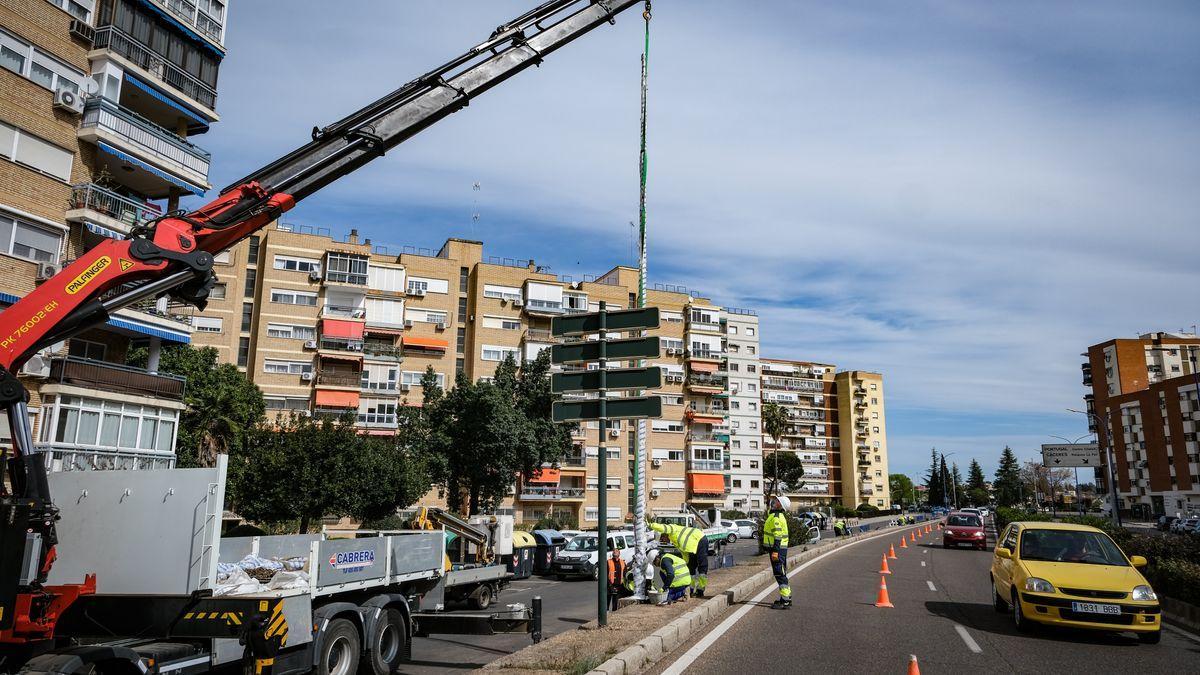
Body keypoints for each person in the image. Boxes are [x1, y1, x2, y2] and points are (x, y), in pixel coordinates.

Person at [648, 518, 709, 598]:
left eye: (662, 538)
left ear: (664, 534)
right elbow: (684, 552)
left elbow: (663, 527)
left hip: (700, 539)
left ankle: (700, 590)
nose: (664, 541)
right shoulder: (674, 540)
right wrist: (685, 563)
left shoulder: (673, 530)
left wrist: (651, 525)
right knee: (691, 568)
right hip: (692, 547)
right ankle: (691, 590)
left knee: (702, 567)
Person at [764, 495, 791, 609]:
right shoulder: (776, 515)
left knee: (779, 573)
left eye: (777, 501)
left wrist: (775, 551)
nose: (774, 502)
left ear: (781, 506)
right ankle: (785, 598)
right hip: (780, 549)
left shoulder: (776, 517)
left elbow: (778, 535)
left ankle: (785, 601)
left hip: (778, 549)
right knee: (781, 572)